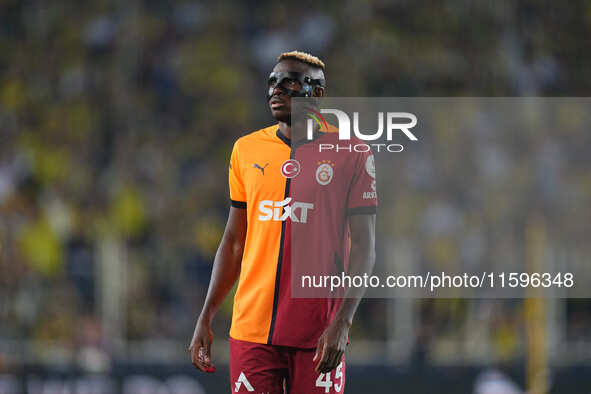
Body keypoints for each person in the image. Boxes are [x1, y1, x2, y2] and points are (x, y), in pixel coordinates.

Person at [189, 50, 376, 393]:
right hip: (252, 332)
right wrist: (207, 314)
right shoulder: (246, 150)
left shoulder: (352, 153)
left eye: (289, 82)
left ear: (317, 94)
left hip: (318, 333)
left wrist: (343, 322)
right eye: (273, 82)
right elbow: (233, 240)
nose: (277, 90)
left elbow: (365, 245)